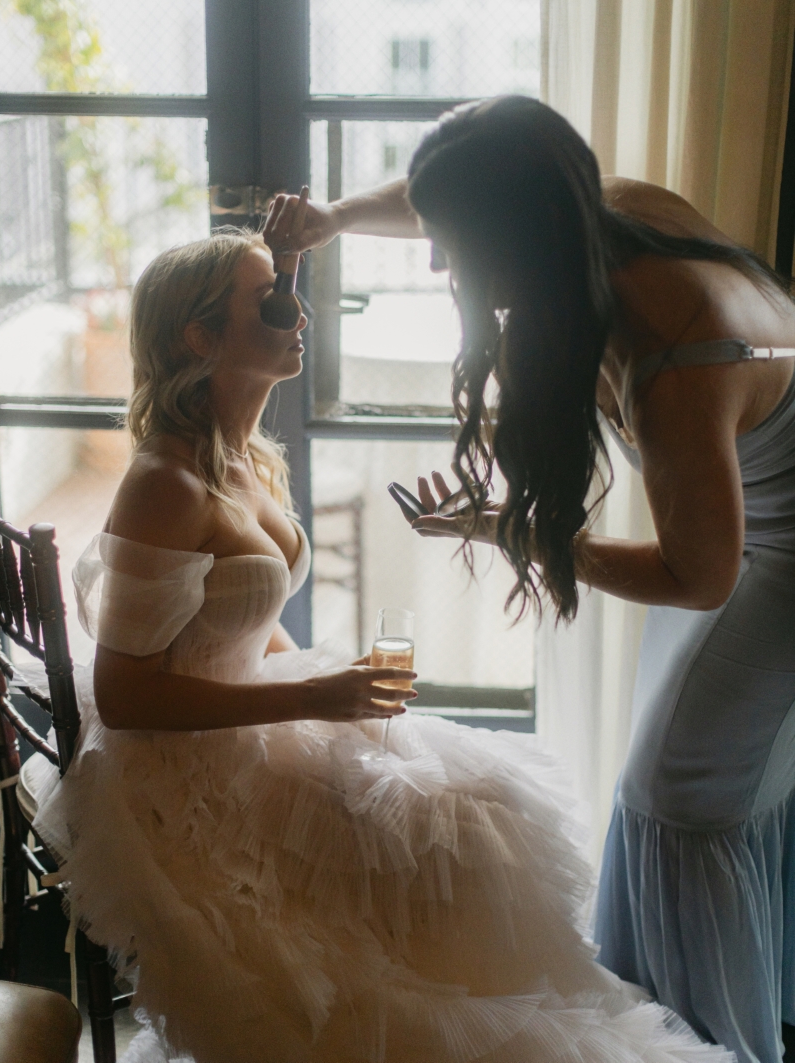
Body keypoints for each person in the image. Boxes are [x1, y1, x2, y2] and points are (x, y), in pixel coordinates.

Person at [27, 228, 735, 1063]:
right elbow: (128, 696)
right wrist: (311, 699)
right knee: (380, 942)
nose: (300, 314)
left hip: (252, 723)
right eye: (272, 299)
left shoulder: (248, 459)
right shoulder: (162, 483)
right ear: (199, 335)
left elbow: (231, 621)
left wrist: (327, 683)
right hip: (181, 781)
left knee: (477, 808)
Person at [266, 95, 795, 1063]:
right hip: (751, 547)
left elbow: (695, 572)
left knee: (681, 800)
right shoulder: (608, 208)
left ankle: (715, 1046)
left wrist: (513, 530)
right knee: (673, 791)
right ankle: (664, 1023)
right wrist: (334, 218)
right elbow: (433, 201)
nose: (437, 263)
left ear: (518, 233)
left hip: (773, 568)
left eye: (454, 246)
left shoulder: (678, 351)